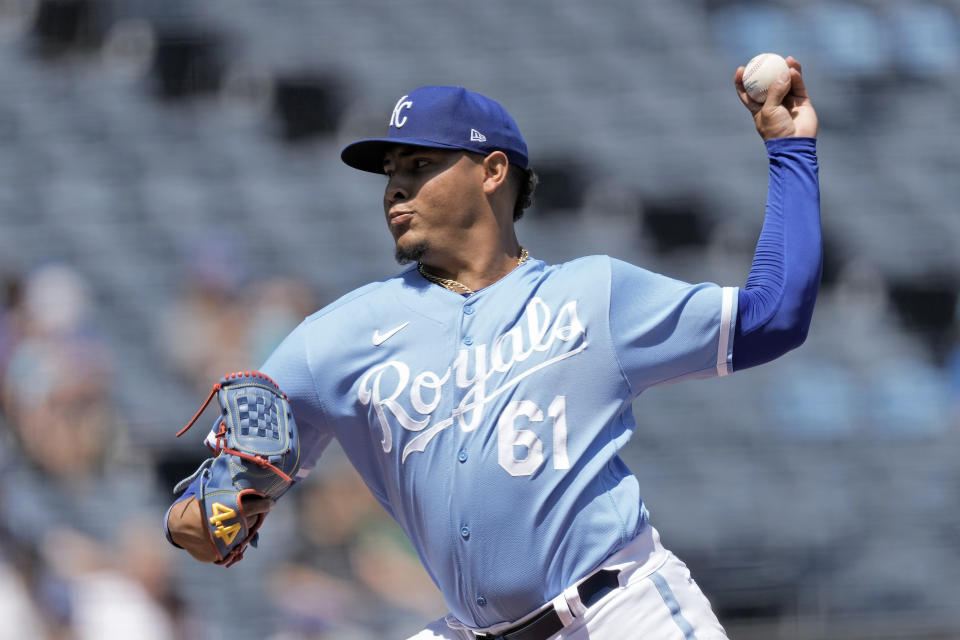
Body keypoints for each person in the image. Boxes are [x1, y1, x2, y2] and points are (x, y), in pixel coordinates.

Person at [166, 57, 820, 639]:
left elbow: (774, 317)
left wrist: (790, 150)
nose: (396, 188)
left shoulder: (594, 294)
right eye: (391, 172)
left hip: (619, 612)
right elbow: (207, 506)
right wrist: (205, 517)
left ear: (493, 171)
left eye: (420, 166)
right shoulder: (333, 340)